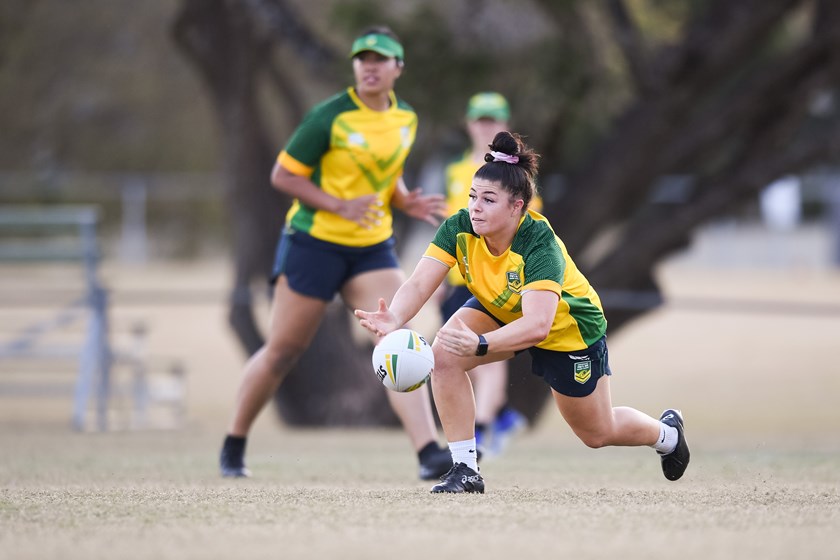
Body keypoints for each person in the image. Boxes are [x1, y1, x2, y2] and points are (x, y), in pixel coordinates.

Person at [355, 131, 690, 493]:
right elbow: (420, 283)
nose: (475, 207)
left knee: (597, 432)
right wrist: (394, 317)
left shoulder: (539, 243)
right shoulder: (459, 227)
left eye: (488, 199)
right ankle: (465, 470)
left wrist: (480, 344)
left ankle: (667, 434)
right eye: (472, 196)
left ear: (517, 206)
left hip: (567, 329)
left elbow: (538, 325)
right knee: (445, 356)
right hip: (501, 307)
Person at [219, 25, 453, 481]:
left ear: (397, 68)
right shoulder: (329, 116)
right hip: (313, 243)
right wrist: (338, 205)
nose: (369, 66)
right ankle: (234, 442)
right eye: (362, 58)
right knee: (283, 351)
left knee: (396, 339)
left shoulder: (405, 119)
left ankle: (428, 453)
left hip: (370, 248)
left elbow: (386, 174)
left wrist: (404, 199)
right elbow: (283, 176)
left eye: (380, 59)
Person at [439, 92, 530, 456]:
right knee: (465, 361)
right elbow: (451, 228)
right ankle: (502, 416)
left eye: (493, 120)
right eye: (480, 120)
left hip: (498, 283)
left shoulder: (517, 178)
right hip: (460, 283)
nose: (486, 127)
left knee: (486, 361)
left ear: (504, 125)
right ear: (469, 123)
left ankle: (479, 433)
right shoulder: (455, 172)